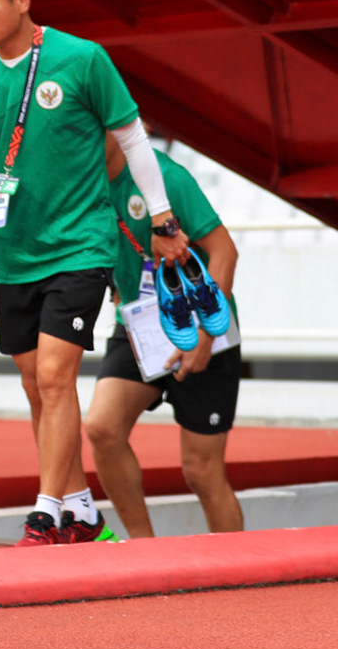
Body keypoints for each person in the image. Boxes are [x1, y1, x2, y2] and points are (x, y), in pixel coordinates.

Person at [0, 0, 186, 546]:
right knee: (36, 384)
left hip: (80, 244)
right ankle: (82, 509)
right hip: (13, 251)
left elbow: (132, 139)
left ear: (22, 0)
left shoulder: (82, 59)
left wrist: (163, 216)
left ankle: (46, 513)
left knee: (52, 375)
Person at [84, 137, 242, 539]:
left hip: (204, 324)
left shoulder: (166, 177)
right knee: (102, 428)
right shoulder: (83, 181)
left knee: (202, 472)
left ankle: (237, 567)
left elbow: (225, 251)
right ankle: (145, 550)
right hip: (139, 325)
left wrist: (206, 335)